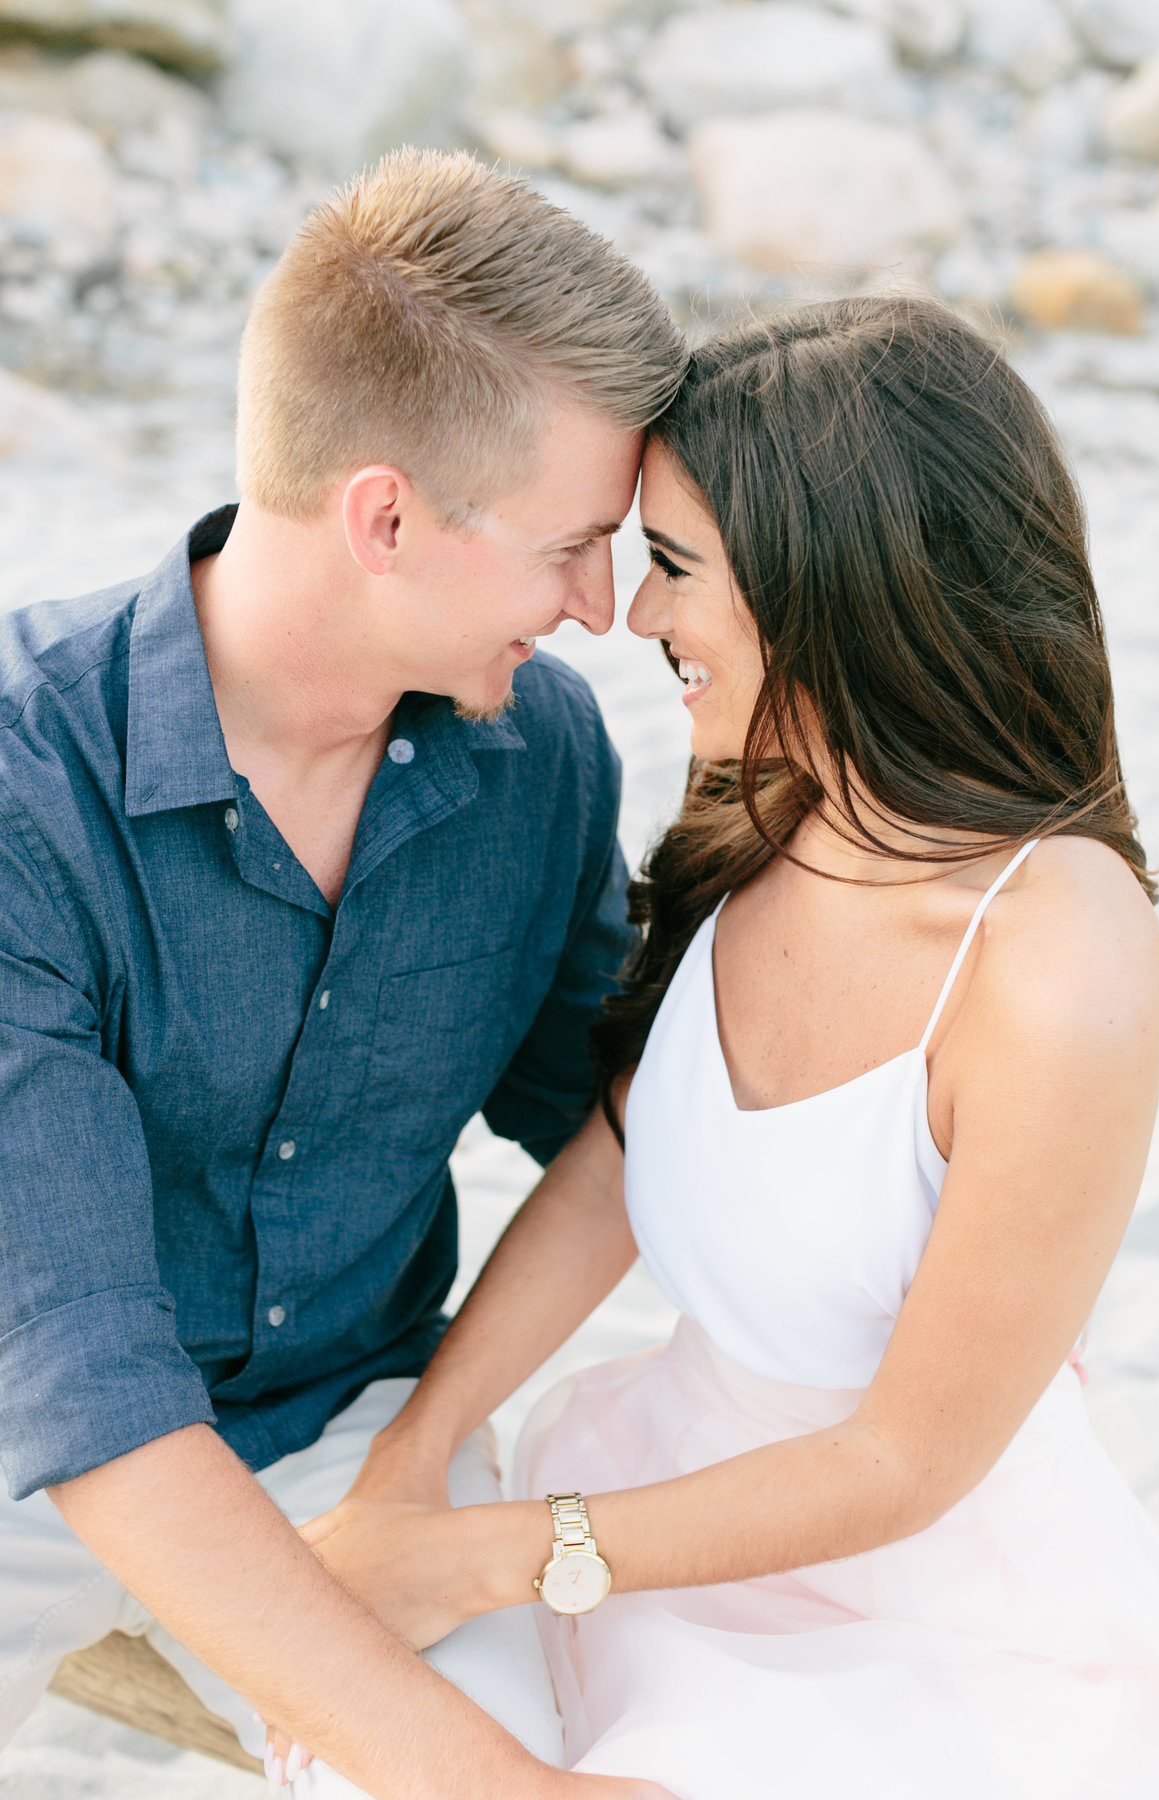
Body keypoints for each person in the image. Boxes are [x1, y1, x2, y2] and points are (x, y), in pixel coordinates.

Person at [323, 296, 1159, 1798]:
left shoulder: (1058, 963)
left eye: (673, 569)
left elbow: (900, 1466)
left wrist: (481, 1560)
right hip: (662, 1494)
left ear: (833, 590)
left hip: (922, 1609)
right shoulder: (761, 793)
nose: (635, 618)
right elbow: (618, 1156)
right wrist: (417, 1454)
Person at [0, 147, 685, 1800]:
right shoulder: (26, 792)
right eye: (573, 545)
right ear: (383, 518)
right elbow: (85, 1383)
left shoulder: (538, 756)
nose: (605, 608)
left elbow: (617, 1116)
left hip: (351, 1422)